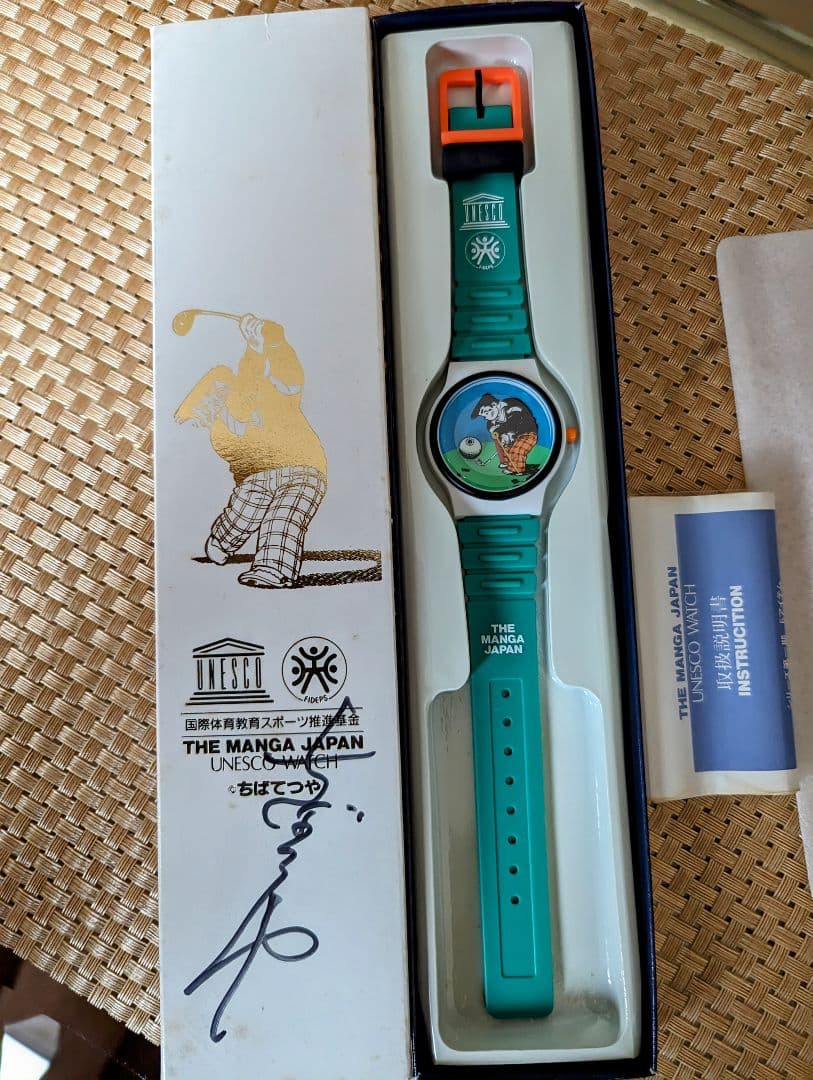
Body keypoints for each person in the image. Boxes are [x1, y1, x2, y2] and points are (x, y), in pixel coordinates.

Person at [175, 314, 327, 588]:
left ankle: (272, 569)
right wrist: (254, 353)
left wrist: (276, 343)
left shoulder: (271, 391)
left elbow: (290, 379)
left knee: (283, 518)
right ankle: (222, 541)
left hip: (303, 469)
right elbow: (240, 407)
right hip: (254, 480)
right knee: (241, 517)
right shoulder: (221, 431)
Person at [472, 392, 538, 475]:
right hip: (510, 438)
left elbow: (513, 422)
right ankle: (506, 463)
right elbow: (493, 431)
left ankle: (516, 470)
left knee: (517, 450)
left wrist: (502, 432)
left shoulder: (512, 406)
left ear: (494, 405)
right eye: (484, 416)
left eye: (486, 412)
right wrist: (502, 437)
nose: (486, 417)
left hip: (526, 433)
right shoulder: (491, 422)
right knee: (503, 446)